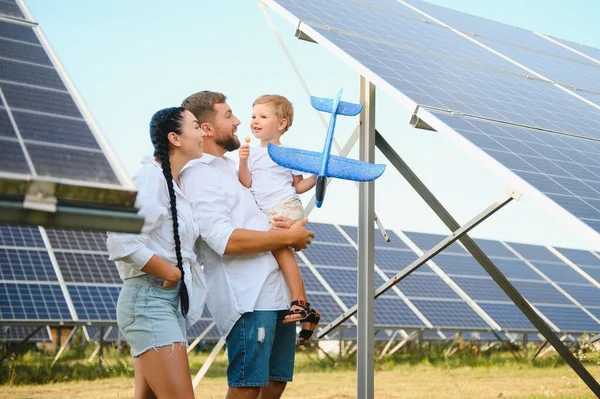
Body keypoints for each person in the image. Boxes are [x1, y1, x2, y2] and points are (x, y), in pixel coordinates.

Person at [179, 91, 315, 399]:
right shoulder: (198, 174)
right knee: (247, 386)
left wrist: (289, 227)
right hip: (248, 298)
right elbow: (222, 239)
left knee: (275, 381)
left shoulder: (234, 167)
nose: (240, 120)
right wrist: (285, 238)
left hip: (276, 292)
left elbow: (264, 212)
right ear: (207, 129)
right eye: (228, 116)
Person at [107, 107, 207, 399]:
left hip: (168, 303)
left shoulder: (175, 185)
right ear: (175, 138)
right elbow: (120, 239)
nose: (203, 133)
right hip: (149, 301)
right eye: (196, 126)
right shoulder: (150, 178)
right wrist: (170, 272)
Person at [238, 94, 319, 340]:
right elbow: (246, 182)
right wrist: (242, 162)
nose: (255, 121)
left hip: (285, 205)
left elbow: (298, 186)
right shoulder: (250, 153)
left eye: (263, 116)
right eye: (253, 116)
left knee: (281, 251)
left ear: (281, 124)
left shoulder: (287, 154)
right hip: (266, 212)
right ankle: (306, 309)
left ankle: (300, 303)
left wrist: (317, 176)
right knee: (279, 255)